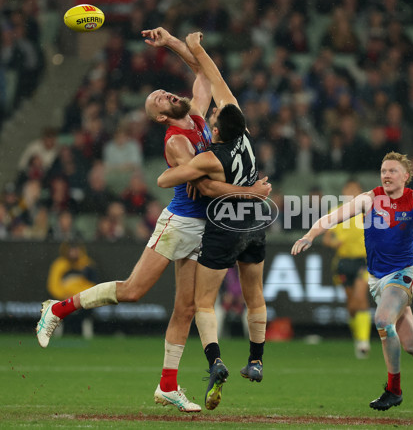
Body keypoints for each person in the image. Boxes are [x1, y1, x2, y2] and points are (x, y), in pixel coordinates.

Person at [35, 27, 270, 413]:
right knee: (132, 291)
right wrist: (250, 193)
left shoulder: (195, 116)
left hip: (204, 227)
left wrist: (173, 43)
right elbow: (208, 190)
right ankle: (57, 309)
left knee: (186, 309)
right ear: (161, 116)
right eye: (158, 98)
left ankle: (167, 386)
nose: (165, 94)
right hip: (180, 221)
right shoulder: (177, 142)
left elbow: (202, 73)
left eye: (163, 91)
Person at [291, 152, 413, 411]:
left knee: (382, 320)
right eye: (383, 170)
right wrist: (310, 235)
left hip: (403, 275)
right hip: (378, 281)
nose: (386, 175)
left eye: (392, 171)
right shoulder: (370, 198)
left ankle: (394, 390)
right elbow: (332, 217)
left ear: (406, 176)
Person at [156, 31, 268, 411]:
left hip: (225, 225)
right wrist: (197, 49)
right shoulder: (246, 135)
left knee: (202, 303)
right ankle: (256, 360)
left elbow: (169, 180)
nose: (213, 113)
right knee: (255, 296)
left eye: (215, 117)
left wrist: (191, 175)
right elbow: (216, 81)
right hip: (255, 223)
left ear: (216, 130)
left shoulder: (212, 156)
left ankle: (214, 361)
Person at [322, 179, 371, 359]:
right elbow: (327, 239)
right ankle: (358, 336)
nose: (351, 193)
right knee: (351, 303)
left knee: (360, 296)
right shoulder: (336, 212)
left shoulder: (369, 212)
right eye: (348, 190)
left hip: (363, 261)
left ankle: (364, 342)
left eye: (354, 190)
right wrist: (334, 242)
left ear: (360, 192)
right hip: (343, 262)